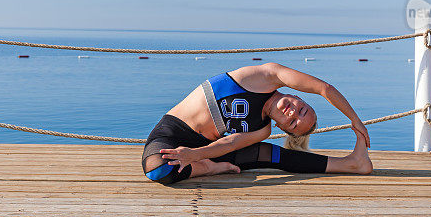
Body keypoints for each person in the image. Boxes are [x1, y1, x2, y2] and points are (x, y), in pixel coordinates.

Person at [142, 62, 373, 185]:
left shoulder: (263, 130)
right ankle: (209, 168)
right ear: (299, 96)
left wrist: (195, 155)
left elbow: (229, 144)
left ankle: (353, 163)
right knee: (156, 167)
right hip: (173, 131)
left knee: (278, 157)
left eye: (292, 123)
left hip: (206, 150)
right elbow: (324, 88)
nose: (292, 112)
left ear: (281, 127)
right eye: (301, 109)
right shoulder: (267, 76)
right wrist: (355, 121)